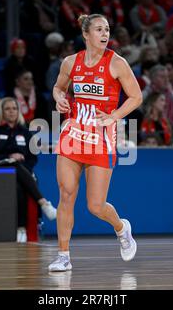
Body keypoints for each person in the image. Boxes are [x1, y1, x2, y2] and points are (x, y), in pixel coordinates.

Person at [49, 14, 142, 272]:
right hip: (74, 132)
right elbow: (58, 88)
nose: (105, 34)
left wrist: (113, 116)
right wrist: (59, 98)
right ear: (86, 34)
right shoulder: (71, 62)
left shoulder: (117, 63)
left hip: (101, 136)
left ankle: (122, 228)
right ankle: (63, 256)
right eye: (99, 29)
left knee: (95, 206)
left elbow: (136, 97)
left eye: (107, 30)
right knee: (66, 194)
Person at [0, 97, 57, 243]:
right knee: (13, 163)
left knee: (19, 184)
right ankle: (44, 204)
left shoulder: (25, 132)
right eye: (8, 109)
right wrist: (9, 156)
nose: (11, 112)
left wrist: (23, 169)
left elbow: (32, 157)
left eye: (14, 108)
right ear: (1, 112)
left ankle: (21, 229)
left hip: (20, 173)